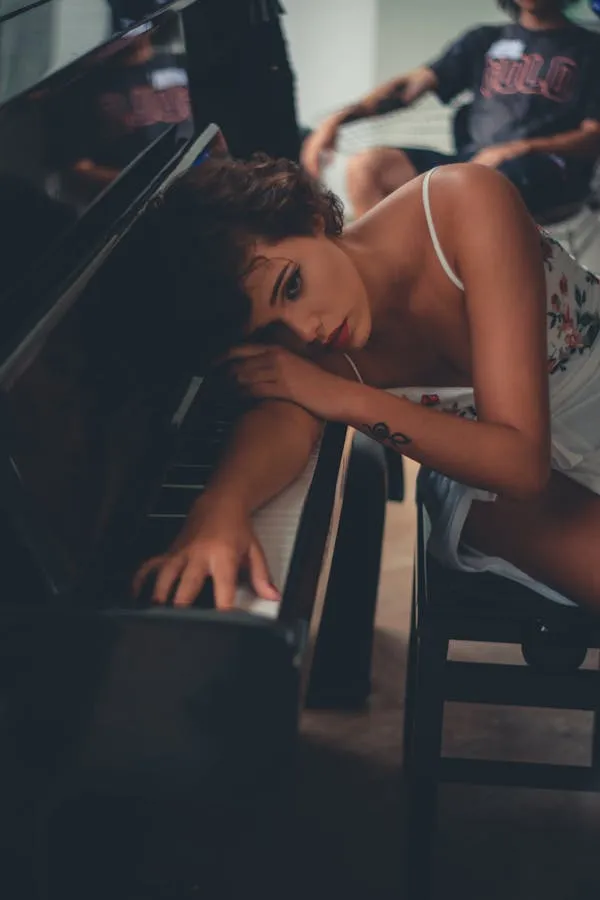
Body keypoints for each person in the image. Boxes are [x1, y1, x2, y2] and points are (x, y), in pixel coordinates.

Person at [133, 152, 600, 613]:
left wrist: (339, 397)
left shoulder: (464, 203)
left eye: (292, 285)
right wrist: (220, 507)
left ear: (310, 217)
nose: (304, 332)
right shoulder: (307, 352)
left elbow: (521, 460)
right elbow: (279, 422)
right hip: (497, 486)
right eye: (269, 330)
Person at [301, 0, 600, 218]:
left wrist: (517, 148)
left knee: (482, 182)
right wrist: (337, 120)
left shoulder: (590, 48)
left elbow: (593, 137)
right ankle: (389, 279)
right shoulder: (484, 39)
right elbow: (408, 88)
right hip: (474, 165)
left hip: (544, 172)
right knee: (367, 168)